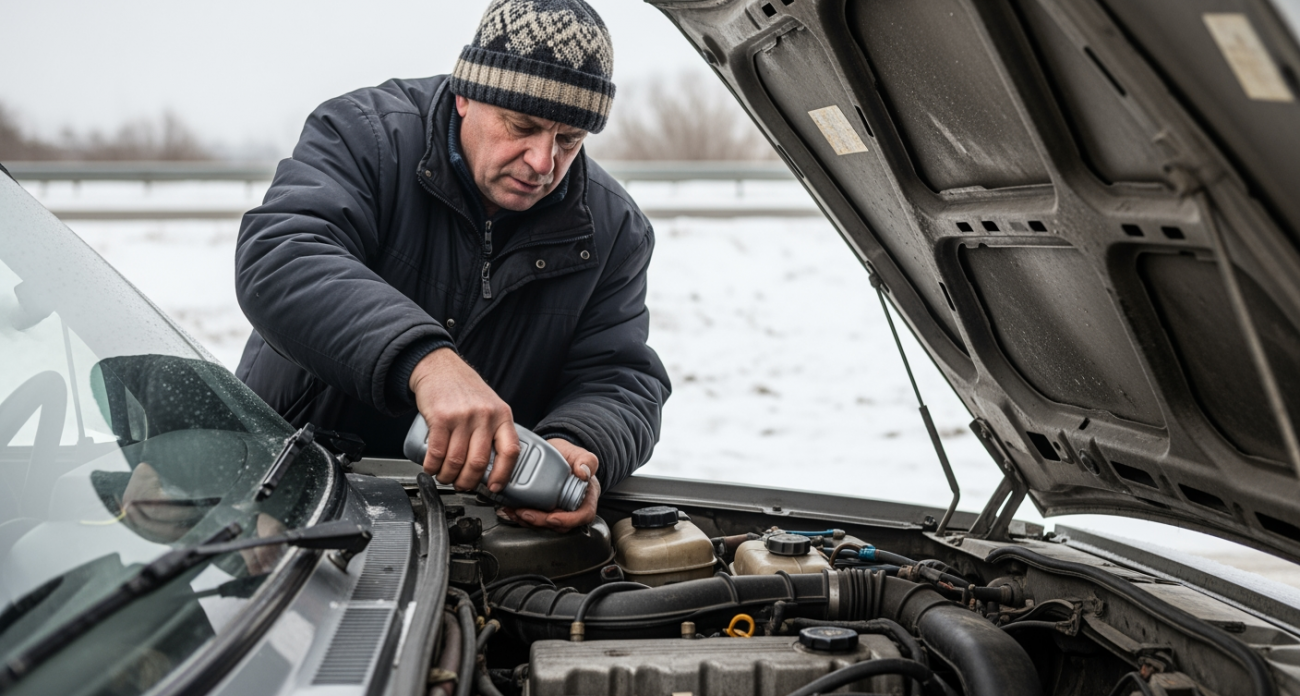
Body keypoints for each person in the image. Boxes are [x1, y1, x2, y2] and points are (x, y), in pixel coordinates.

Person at [233, 0, 670, 532]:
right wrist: (428, 362)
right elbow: (283, 256)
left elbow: (618, 375)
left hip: (469, 525)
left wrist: (578, 443)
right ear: (466, 95)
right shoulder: (364, 136)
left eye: (569, 140)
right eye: (521, 126)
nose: (543, 162)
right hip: (284, 490)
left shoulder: (615, 229)